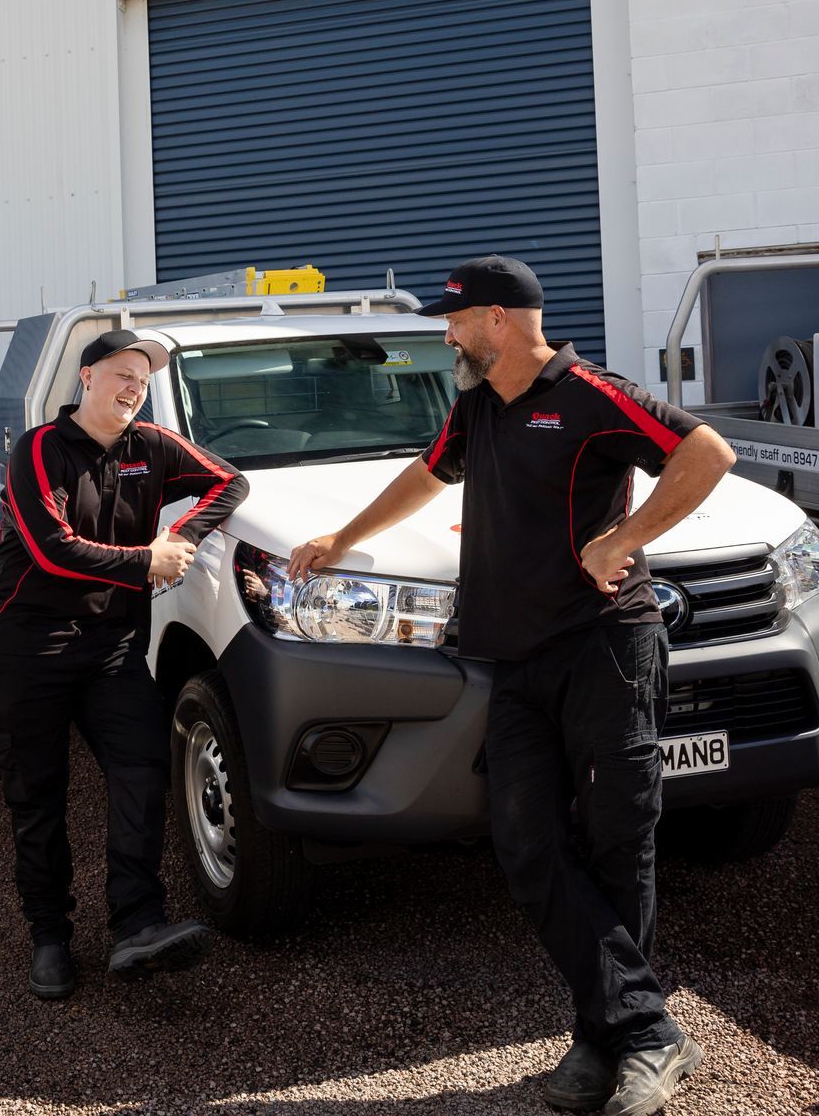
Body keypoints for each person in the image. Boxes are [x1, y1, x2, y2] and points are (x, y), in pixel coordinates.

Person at [289, 257, 735, 1116]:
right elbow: (427, 474)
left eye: (454, 322)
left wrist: (623, 539)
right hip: (515, 656)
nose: (447, 336)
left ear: (498, 319)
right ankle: (645, 1026)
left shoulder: (593, 392)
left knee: (617, 838)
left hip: (605, 645)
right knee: (526, 841)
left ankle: (603, 1036)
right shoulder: (476, 405)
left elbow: (707, 453)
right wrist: (342, 537)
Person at [0, 328, 249, 1001]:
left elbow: (229, 482)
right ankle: (49, 938)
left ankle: (137, 924)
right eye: (123, 373)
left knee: (142, 768)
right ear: (87, 377)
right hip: (28, 649)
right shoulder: (38, 449)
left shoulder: (150, 446)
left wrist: (180, 536)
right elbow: (52, 550)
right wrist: (145, 562)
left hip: (113, 646)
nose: (134, 388)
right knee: (37, 797)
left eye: (144, 379)